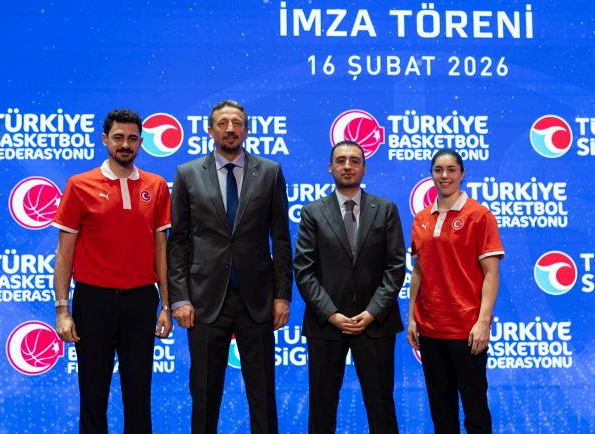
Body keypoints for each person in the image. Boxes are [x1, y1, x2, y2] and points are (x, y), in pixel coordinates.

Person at [167, 100, 293, 434]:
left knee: (262, 394)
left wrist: (282, 296)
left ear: (247, 130)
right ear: (210, 130)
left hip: (258, 298)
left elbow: (281, 239)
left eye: (237, 123)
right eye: (222, 123)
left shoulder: (269, 172)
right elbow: (177, 241)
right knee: (205, 394)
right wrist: (180, 298)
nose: (230, 129)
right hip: (204, 300)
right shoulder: (188, 173)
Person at [52, 108, 173, 434]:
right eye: (118, 137)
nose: (125, 145)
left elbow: (161, 250)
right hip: (94, 302)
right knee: (93, 396)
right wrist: (62, 310)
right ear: (105, 139)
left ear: (141, 143)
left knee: (139, 397)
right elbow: (64, 254)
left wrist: (166, 304)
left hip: (141, 301)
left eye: (132, 138)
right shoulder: (79, 185)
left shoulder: (157, 186)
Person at [294, 140, 405, 434]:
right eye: (341, 161)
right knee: (322, 409)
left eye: (354, 161)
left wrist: (371, 312)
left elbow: (395, 267)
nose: (347, 166)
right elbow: (304, 270)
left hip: (376, 323)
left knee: (382, 408)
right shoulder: (313, 212)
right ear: (330, 168)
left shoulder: (386, 209)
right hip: (326, 323)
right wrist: (331, 314)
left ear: (364, 169)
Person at [406, 149, 504, 434]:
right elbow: (418, 272)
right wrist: (412, 318)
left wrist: (483, 322)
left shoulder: (479, 215)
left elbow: (491, 273)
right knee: (441, 413)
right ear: (431, 175)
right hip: (430, 329)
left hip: (467, 330)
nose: (444, 175)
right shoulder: (421, 218)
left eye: (451, 169)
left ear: (462, 174)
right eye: (438, 170)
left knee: (475, 411)